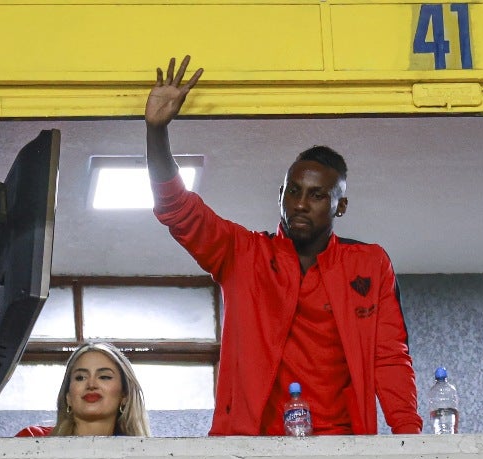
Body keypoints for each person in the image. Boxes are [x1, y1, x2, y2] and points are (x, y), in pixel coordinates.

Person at [145, 56, 422, 436]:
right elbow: (178, 209)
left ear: (340, 206)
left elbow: (389, 357)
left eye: (317, 195)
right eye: (293, 191)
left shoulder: (370, 264)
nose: (301, 203)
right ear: (280, 196)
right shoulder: (243, 253)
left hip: (342, 444)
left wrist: (411, 441)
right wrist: (156, 132)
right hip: (249, 444)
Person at [16, 342, 151, 436]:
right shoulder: (32, 439)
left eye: (104, 377)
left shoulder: (146, 458)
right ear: (67, 396)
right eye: (80, 378)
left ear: (124, 395)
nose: (91, 384)